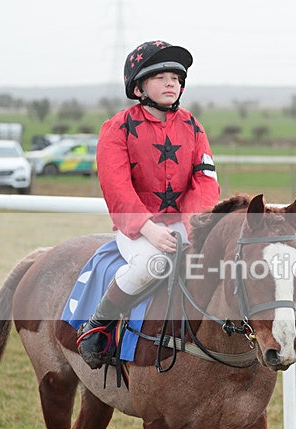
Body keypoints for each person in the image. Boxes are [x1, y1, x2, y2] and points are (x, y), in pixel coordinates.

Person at [77, 39, 220, 368]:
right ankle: (97, 326)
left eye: (176, 77)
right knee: (150, 264)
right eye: (161, 77)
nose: (171, 83)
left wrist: (192, 226)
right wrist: (148, 229)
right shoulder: (116, 128)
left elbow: (205, 180)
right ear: (139, 87)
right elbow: (117, 188)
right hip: (137, 231)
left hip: (187, 227)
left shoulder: (193, 127)